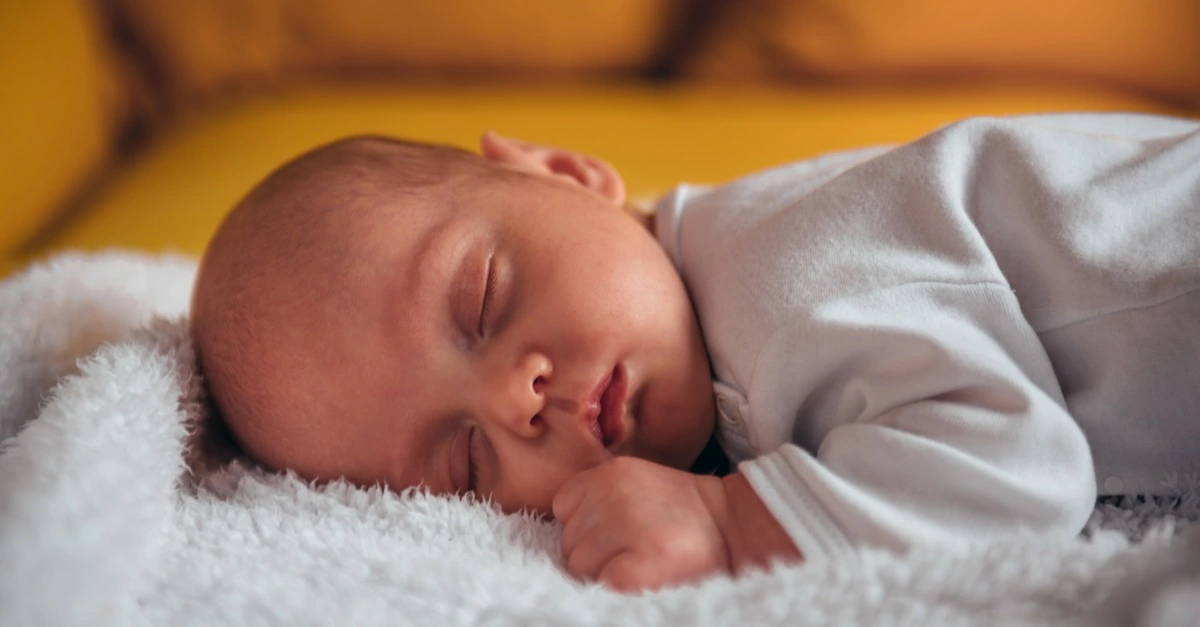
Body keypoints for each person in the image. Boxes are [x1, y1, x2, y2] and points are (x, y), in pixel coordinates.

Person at [190, 113, 1200, 592]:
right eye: (466, 462)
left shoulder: (787, 292)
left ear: (568, 173)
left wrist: (730, 520)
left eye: (481, 300)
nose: (515, 399)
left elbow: (1017, 469)